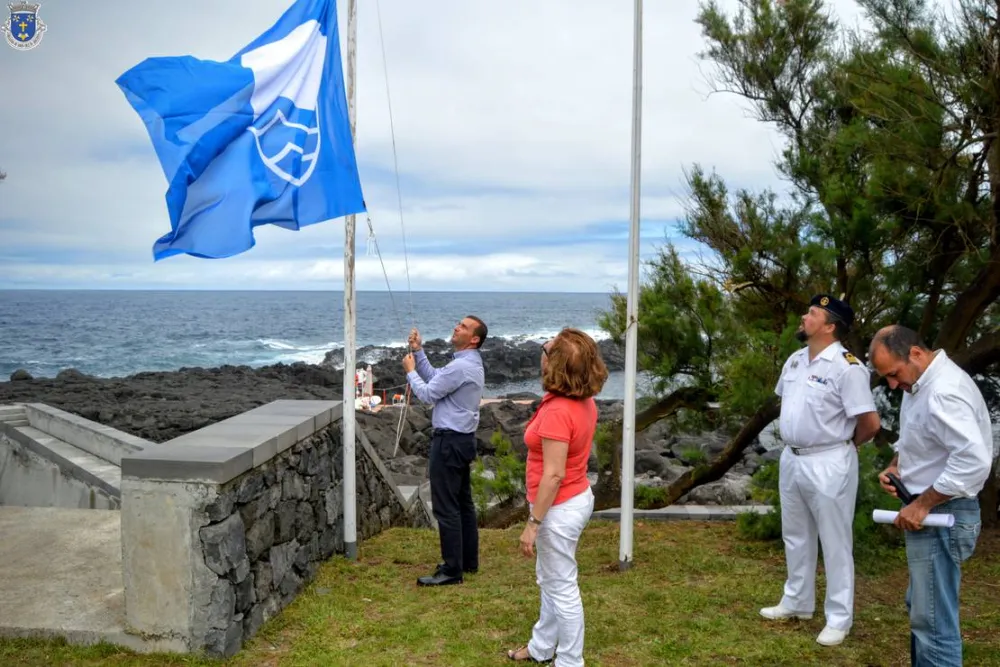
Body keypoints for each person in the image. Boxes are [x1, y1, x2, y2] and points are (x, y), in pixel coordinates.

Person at [869, 325, 994, 667]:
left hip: (945, 514)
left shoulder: (943, 390)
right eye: (886, 379)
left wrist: (922, 504)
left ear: (916, 353)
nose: (893, 385)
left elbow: (973, 461)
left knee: (934, 623)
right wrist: (897, 467)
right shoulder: (920, 385)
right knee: (923, 610)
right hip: (933, 509)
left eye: (893, 374)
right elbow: (920, 439)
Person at [760, 294, 881, 646]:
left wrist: (844, 447)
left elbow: (870, 423)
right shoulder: (796, 360)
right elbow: (790, 405)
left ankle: (839, 618)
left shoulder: (848, 367)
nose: (803, 316)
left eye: (811, 314)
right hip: (792, 457)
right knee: (795, 534)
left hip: (829, 460)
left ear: (829, 326)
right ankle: (797, 601)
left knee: (835, 541)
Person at [506, 328, 608, 666]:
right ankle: (541, 646)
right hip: (574, 497)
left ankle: (569, 661)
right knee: (550, 578)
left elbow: (553, 474)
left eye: (546, 348)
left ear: (556, 364)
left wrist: (533, 524)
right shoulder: (582, 400)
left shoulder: (558, 411)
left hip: (559, 506)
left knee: (562, 586)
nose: (541, 352)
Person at [403, 315, 487, 587]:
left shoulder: (462, 367)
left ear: (473, 339)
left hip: (449, 442)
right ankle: (467, 562)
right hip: (462, 441)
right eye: (458, 324)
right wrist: (419, 351)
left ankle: (452, 570)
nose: (456, 327)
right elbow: (438, 378)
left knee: (446, 507)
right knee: (463, 503)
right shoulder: (465, 364)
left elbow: (428, 393)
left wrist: (410, 371)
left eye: (463, 327)